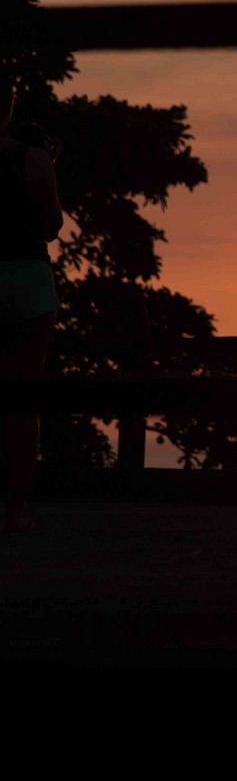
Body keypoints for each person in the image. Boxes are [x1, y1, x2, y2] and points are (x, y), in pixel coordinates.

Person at [0, 90, 63, 534]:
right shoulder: (34, 158)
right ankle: (17, 509)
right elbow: (51, 226)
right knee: (22, 399)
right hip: (25, 277)